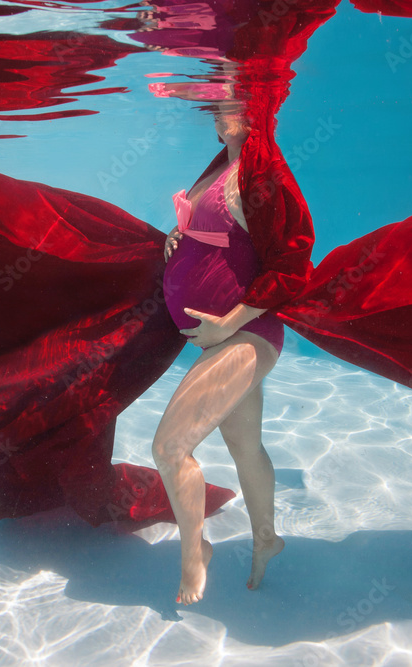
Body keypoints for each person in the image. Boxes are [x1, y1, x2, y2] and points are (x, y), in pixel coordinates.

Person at [154, 103, 287, 604]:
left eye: (233, 100)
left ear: (261, 108)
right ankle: (267, 539)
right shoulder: (220, 165)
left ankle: (195, 552)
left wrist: (229, 322)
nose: (218, 110)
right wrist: (179, 237)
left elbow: (294, 264)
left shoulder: (264, 174)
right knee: (244, 447)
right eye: (216, 104)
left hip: (245, 333)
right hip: (223, 337)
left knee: (169, 448)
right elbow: (220, 234)